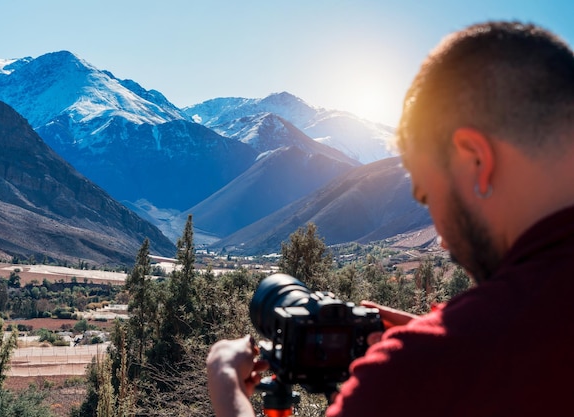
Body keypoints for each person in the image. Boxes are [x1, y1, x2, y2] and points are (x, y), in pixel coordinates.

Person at [206, 20, 574, 416]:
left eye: (427, 194)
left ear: (477, 161)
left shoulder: (418, 374)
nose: (444, 240)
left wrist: (226, 385)